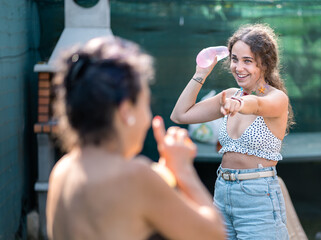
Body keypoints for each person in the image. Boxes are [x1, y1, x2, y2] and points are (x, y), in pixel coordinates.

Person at [46, 36, 225, 240]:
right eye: (145, 103)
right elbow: (214, 235)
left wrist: (164, 173)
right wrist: (183, 170)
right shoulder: (136, 176)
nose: (148, 117)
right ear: (125, 111)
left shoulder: (61, 171)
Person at [171, 23, 294, 239]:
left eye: (248, 61)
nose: (238, 67)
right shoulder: (229, 94)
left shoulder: (276, 99)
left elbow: (256, 104)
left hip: (258, 197)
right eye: (235, 59)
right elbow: (180, 115)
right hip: (223, 193)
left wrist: (240, 104)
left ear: (265, 64)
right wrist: (201, 73)